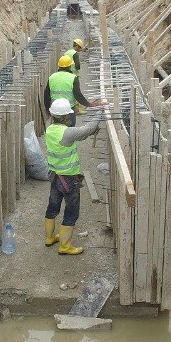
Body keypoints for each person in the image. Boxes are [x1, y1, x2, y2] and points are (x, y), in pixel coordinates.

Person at [43, 98, 101, 255]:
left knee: (53, 206)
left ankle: (49, 238)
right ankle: (65, 246)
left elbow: (81, 135)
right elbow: (88, 129)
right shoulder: (67, 132)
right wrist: (100, 111)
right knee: (71, 211)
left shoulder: (50, 130)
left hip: (55, 176)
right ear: (65, 117)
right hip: (68, 179)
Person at [44, 54, 104, 126]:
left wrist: (48, 109)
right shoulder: (73, 78)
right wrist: (88, 104)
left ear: (59, 66)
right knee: (69, 132)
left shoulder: (52, 77)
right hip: (69, 110)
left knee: (57, 130)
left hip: (56, 110)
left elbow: (46, 95)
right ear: (69, 66)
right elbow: (78, 95)